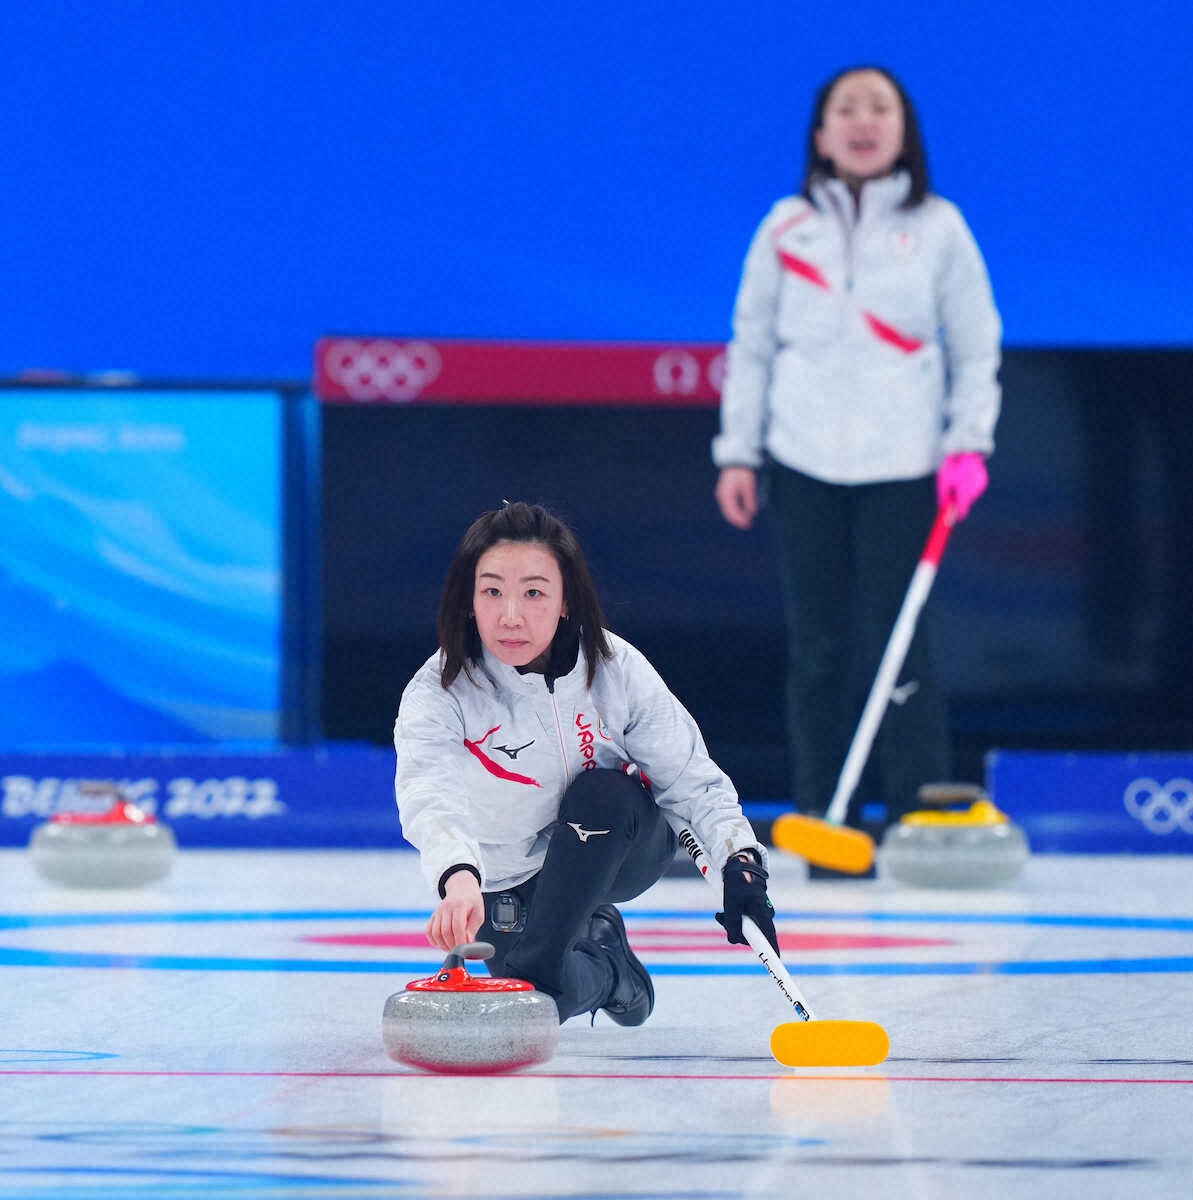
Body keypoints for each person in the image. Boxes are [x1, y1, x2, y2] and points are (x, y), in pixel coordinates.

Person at [712, 66, 1001, 846]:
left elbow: (976, 344)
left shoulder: (939, 227)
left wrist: (966, 444)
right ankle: (821, 809)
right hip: (800, 463)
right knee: (817, 646)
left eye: (879, 107)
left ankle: (912, 811)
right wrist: (737, 454)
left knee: (900, 640)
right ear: (819, 134)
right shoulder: (783, 227)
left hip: (905, 467)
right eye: (845, 109)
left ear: (903, 127)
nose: (862, 121)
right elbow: (751, 347)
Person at [393, 501, 778, 1025]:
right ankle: (612, 972)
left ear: (566, 599)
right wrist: (458, 875)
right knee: (537, 994)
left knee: (602, 792)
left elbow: (692, 782)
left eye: (533, 593)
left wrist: (742, 863)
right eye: (492, 592)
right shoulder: (438, 690)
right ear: (467, 599)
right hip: (504, 875)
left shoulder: (616, 669)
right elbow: (428, 792)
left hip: (620, 848)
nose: (510, 615)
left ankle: (558, 952)